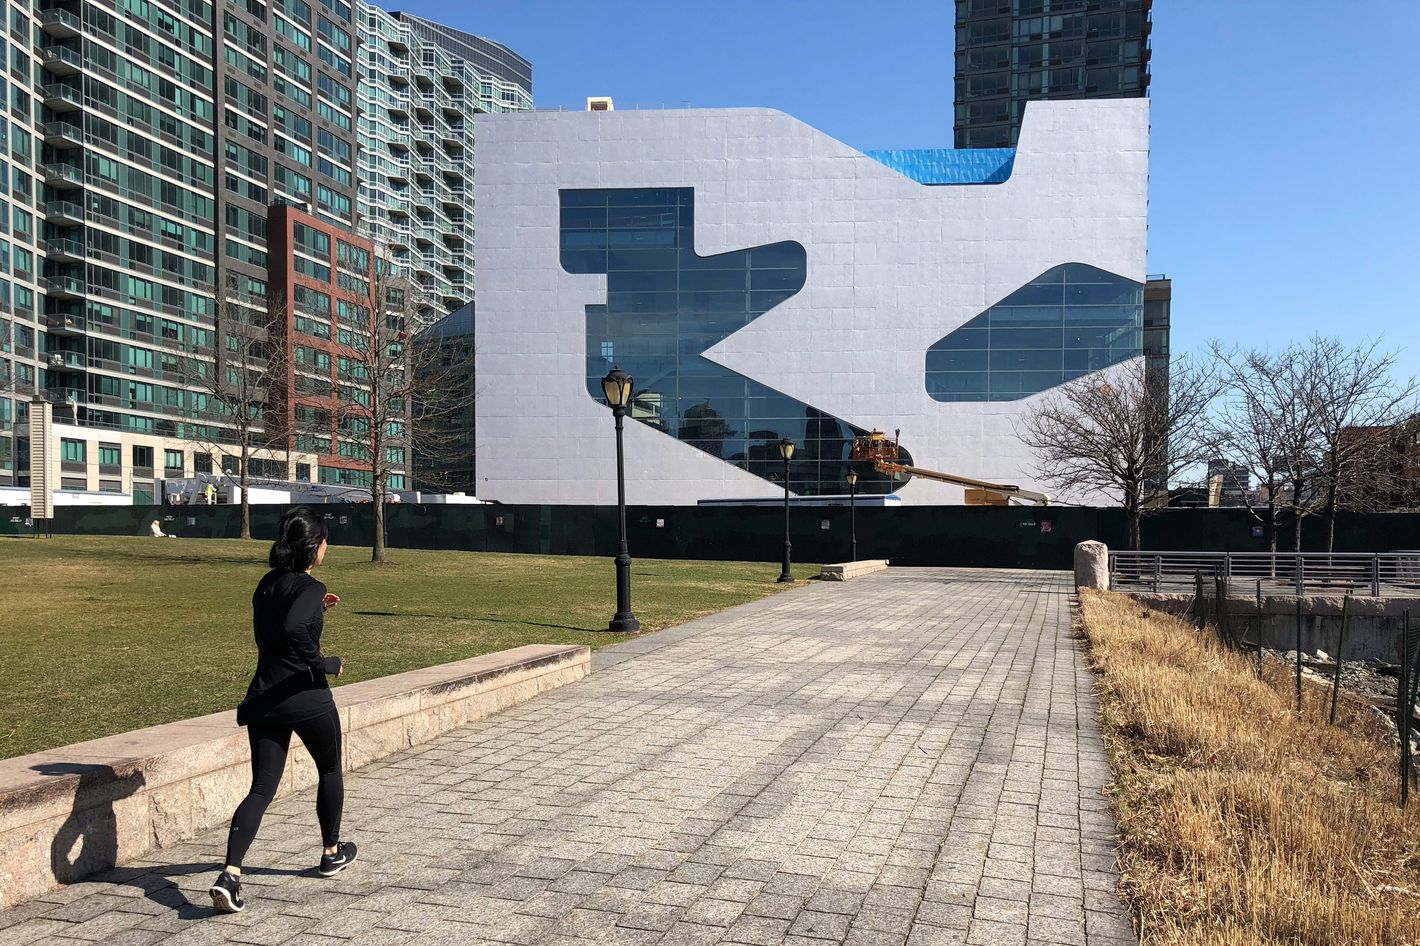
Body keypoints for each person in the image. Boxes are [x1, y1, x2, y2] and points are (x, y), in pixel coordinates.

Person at [210, 507, 356, 914]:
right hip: (307, 699)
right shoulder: (309, 586)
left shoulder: (267, 584)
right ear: (314, 549)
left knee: (262, 788)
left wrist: (317, 610)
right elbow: (293, 630)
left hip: (264, 700)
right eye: (325, 542)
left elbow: (282, 626)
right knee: (329, 770)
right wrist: (323, 662)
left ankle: (230, 875)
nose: (327, 548)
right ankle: (331, 851)